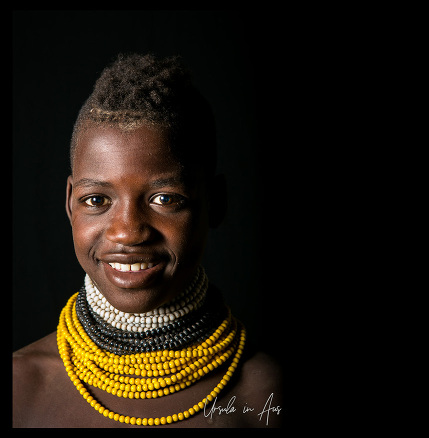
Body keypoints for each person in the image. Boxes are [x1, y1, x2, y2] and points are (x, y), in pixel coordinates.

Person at [12, 53, 282, 428]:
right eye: (96, 200)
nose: (127, 232)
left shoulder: (265, 395)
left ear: (215, 203)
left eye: (165, 199)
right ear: (70, 203)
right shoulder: (20, 388)